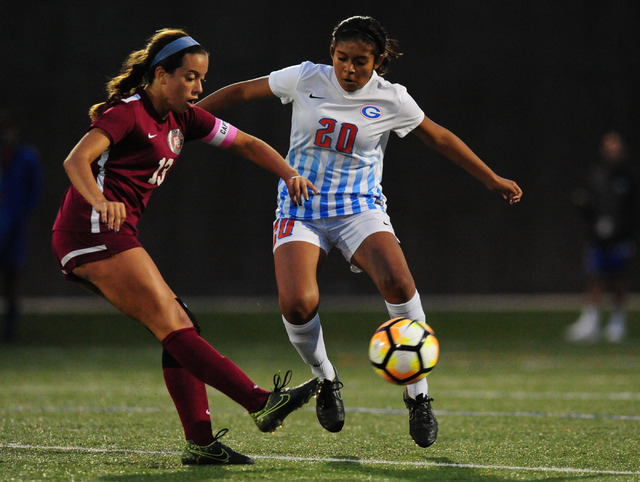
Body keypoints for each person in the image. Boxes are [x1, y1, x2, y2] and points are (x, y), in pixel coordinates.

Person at [197, 15, 522, 448]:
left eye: (361, 62)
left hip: (358, 208)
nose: (349, 70)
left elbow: (439, 138)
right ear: (331, 53)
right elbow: (240, 92)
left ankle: (418, 396)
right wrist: (187, 117)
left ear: (379, 61)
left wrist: (491, 178)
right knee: (296, 304)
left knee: (399, 281)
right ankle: (325, 380)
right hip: (300, 207)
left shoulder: (392, 98)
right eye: (342, 59)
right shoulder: (305, 77)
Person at [51, 28, 321, 466]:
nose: (199, 88)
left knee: (178, 327)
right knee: (174, 323)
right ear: (161, 75)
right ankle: (259, 402)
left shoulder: (183, 118)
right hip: (90, 231)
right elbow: (75, 159)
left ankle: (201, 442)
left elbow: (247, 143)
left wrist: (288, 173)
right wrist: (100, 200)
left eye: (202, 79)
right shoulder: (127, 113)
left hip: (113, 234)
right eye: (191, 77)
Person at [565, 130, 637, 343]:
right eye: (609, 149)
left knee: (618, 280)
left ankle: (617, 322)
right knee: (594, 277)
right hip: (597, 237)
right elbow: (585, 201)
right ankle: (591, 321)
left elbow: (632, 208)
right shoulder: (596, 174)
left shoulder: (629, 177)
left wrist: (626, 231)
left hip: (621, 237)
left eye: (616, 149)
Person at [0, 110, 43, 342]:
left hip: (14, 227)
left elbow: (34, 191)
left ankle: (10, 333)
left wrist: (20, 215)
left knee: (13, 279)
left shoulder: (27, 157)